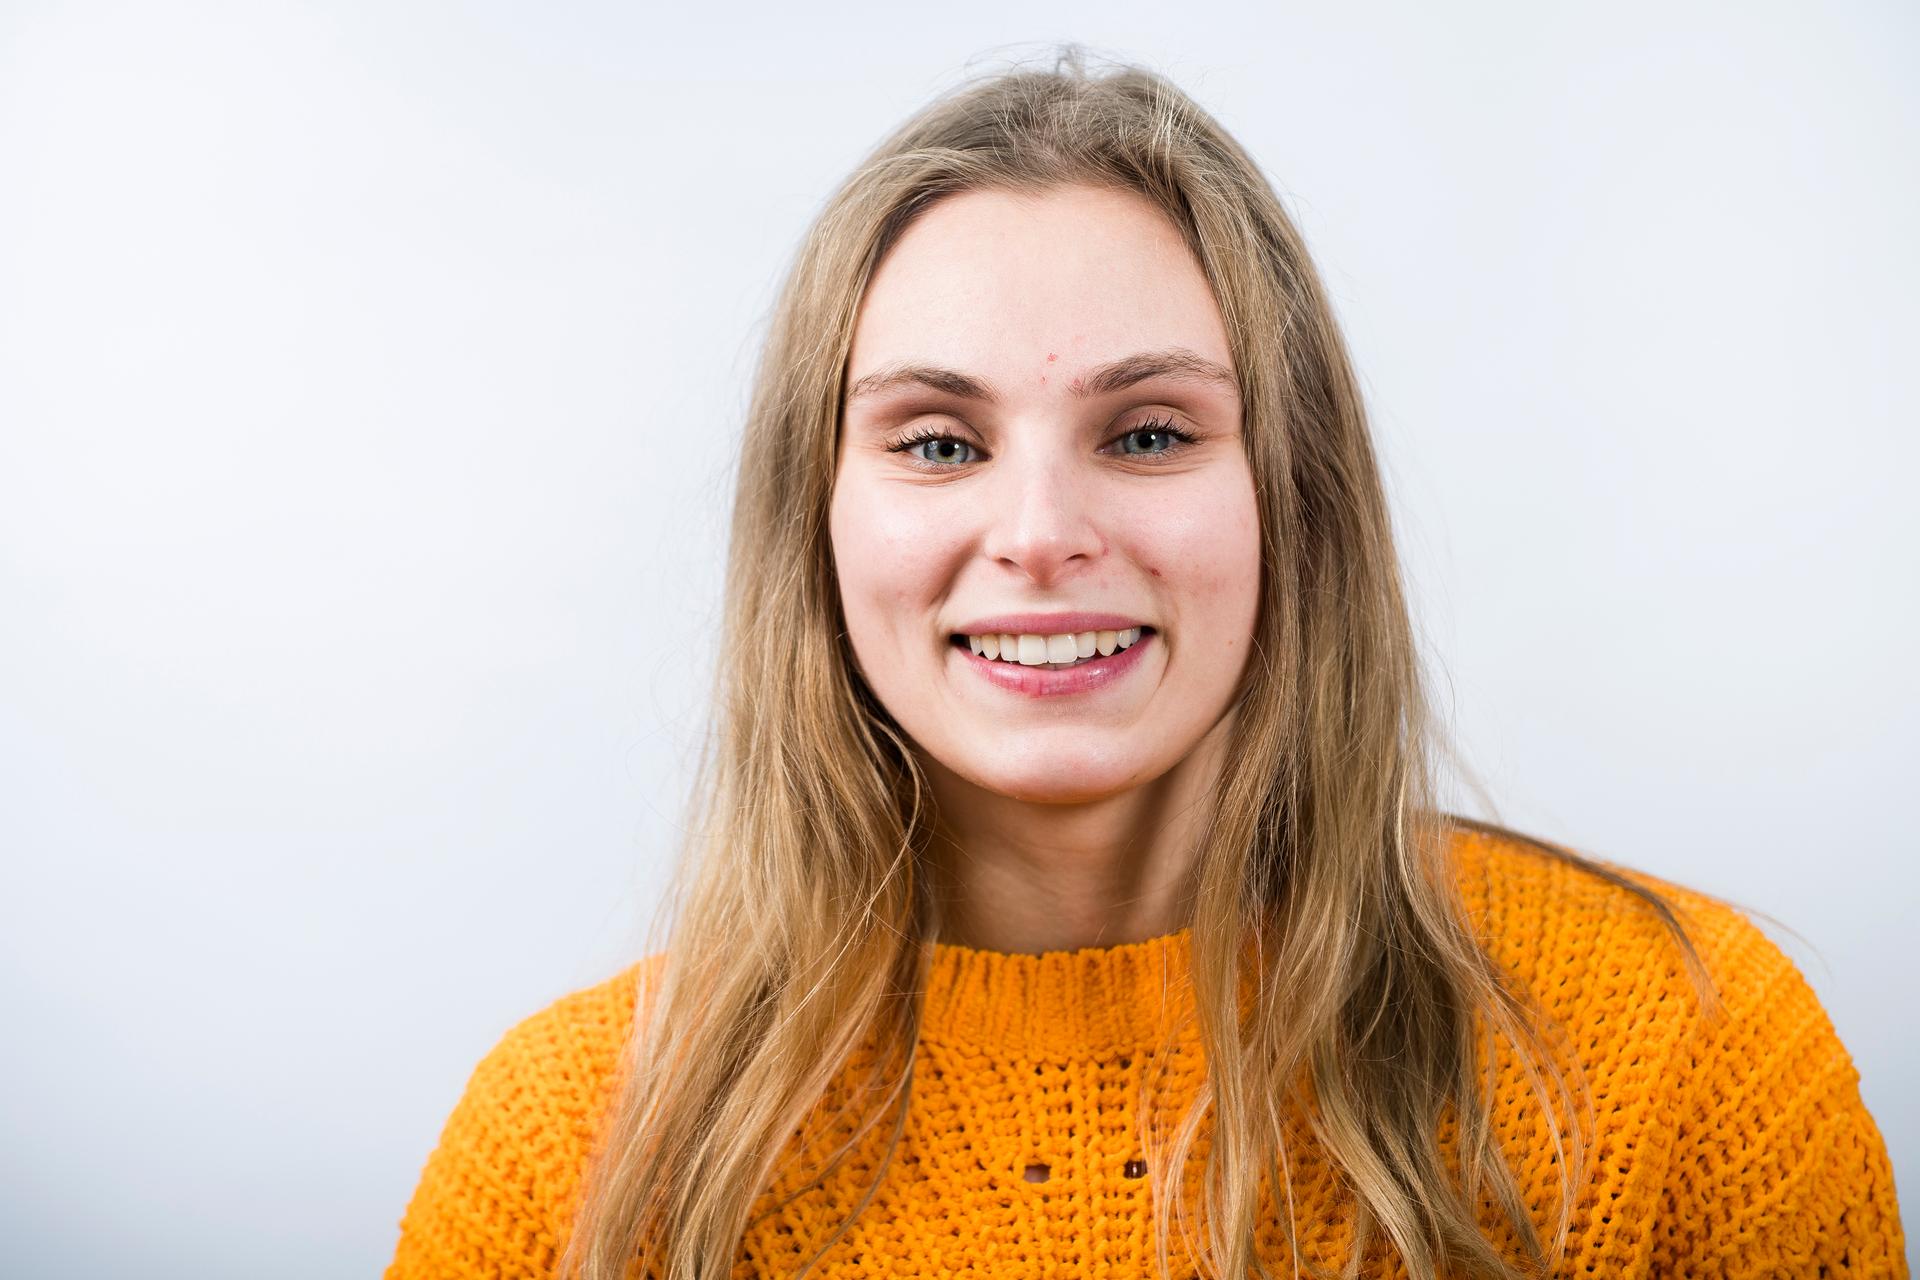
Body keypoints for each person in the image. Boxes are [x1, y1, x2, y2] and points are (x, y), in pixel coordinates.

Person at [384, 49, 1906, 1280]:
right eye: (938, 443)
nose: (1042, 535)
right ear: (816, 521)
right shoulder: (567, 1153)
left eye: (1151, 433)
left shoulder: (1683, 1058)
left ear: (1292, 498)